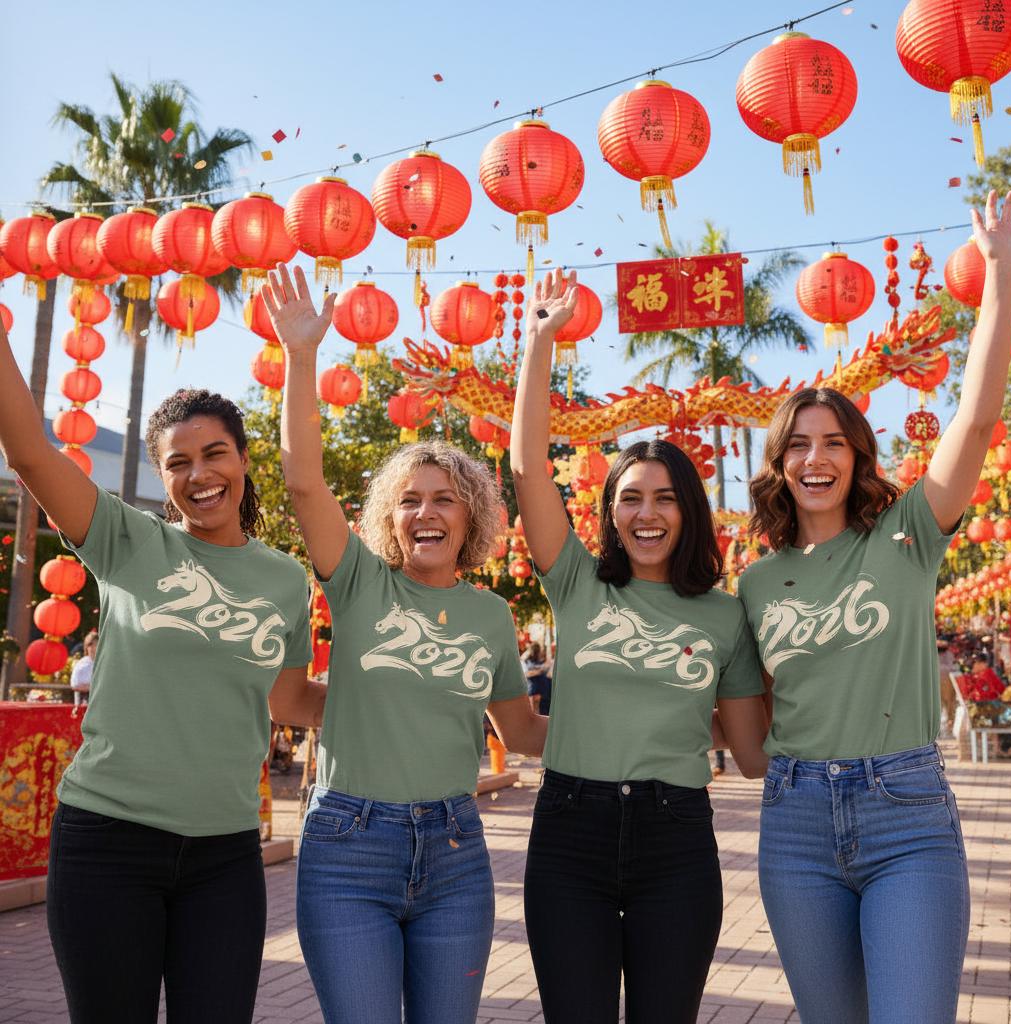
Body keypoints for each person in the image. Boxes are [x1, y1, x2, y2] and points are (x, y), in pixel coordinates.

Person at [739, 191, 1011, 1024]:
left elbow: (973, 426)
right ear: (780, 463)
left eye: (834, 442)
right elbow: (749, 734)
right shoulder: (755, 584)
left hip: (908, 816)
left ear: (859, 456)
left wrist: (1002, 274)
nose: (816, 458)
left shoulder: (907, 535)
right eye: (798, 444)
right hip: (793, 825)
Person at [0, 311, 316, 1024]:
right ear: (161, 476)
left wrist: (405, 694)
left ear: (243, 460)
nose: (199, 474)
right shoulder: (126, 540)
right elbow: (29, 454)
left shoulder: (284, 580)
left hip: (226, 858)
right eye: (178, 462)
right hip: (107, 845)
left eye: (215, 453)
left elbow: (293, 700)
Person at [262, 263, 547, 1024]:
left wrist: (643, 718)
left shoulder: (489, 615)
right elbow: (303, 483)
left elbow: (520, 732)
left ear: (472, 518)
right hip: (348, 845)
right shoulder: (359, 582)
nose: (426, 512)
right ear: (388, 518)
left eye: (445, 500)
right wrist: (300, 356)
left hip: (455, 851)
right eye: (409, 500)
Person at [511, 267, 769, 1024]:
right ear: (609, 511)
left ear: (689, 511)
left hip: (677, 842)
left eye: (664, 498)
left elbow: (753, 757)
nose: (646, 513)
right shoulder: (578, 583)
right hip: (569, 837)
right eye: (630, 497)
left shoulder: (724, 617)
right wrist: (539, 342)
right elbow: (529, 469)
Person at [521, 641, 553, 715]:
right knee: (536, 712)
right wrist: (540, 671)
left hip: (538, 689)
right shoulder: (526, 661)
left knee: (536, 712)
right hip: (536, 689)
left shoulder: (529, 661)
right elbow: (527, 674)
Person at [69, 630, 97, 706]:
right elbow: (74, 685)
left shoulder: (106, 663)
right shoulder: (82, 664)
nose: (93, 648)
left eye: (96, 644)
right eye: (90, 645)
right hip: (85, 703)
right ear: (86, 647)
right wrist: (93, 687)